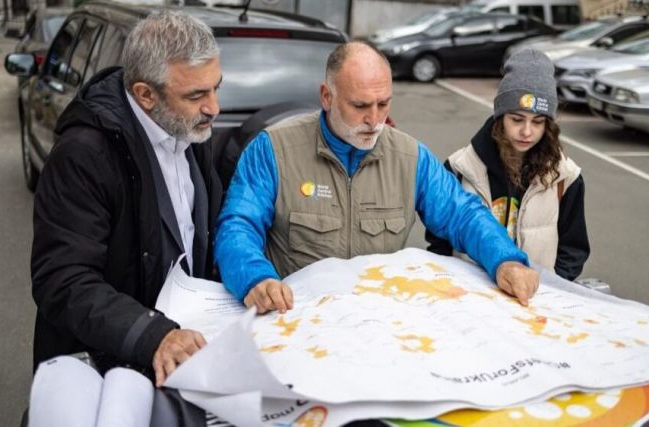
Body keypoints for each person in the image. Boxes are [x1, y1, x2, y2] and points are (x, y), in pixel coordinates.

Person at [215, 41, 539, 315]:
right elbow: (238, 225)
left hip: (378, 322)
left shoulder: (411, 157)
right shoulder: (273, 150)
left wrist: (505, 260)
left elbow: (462, 214)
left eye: (383, 103)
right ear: (326, 97)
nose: (374, 119)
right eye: (360, 106)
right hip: (297, 319)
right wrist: (255, 279)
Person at [31, 11, 224, 387]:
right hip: (105, 370)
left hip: (181, 358)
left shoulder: (191, 131)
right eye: (197, 94)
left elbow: (206, 232)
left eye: (217, 87)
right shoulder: (83, 154)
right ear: (145, 95)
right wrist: (153, 335)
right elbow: (62, 279)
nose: (214, 107)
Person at [426, 49, 589, 281]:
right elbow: (439, 241)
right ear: (500, 116)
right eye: (516, 119)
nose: (526, 131)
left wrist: (552, 290)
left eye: (538, 122)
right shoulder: (460, 168)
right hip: (470, 301)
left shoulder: (566, 176)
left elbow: (573, 250)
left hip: (533, 302)